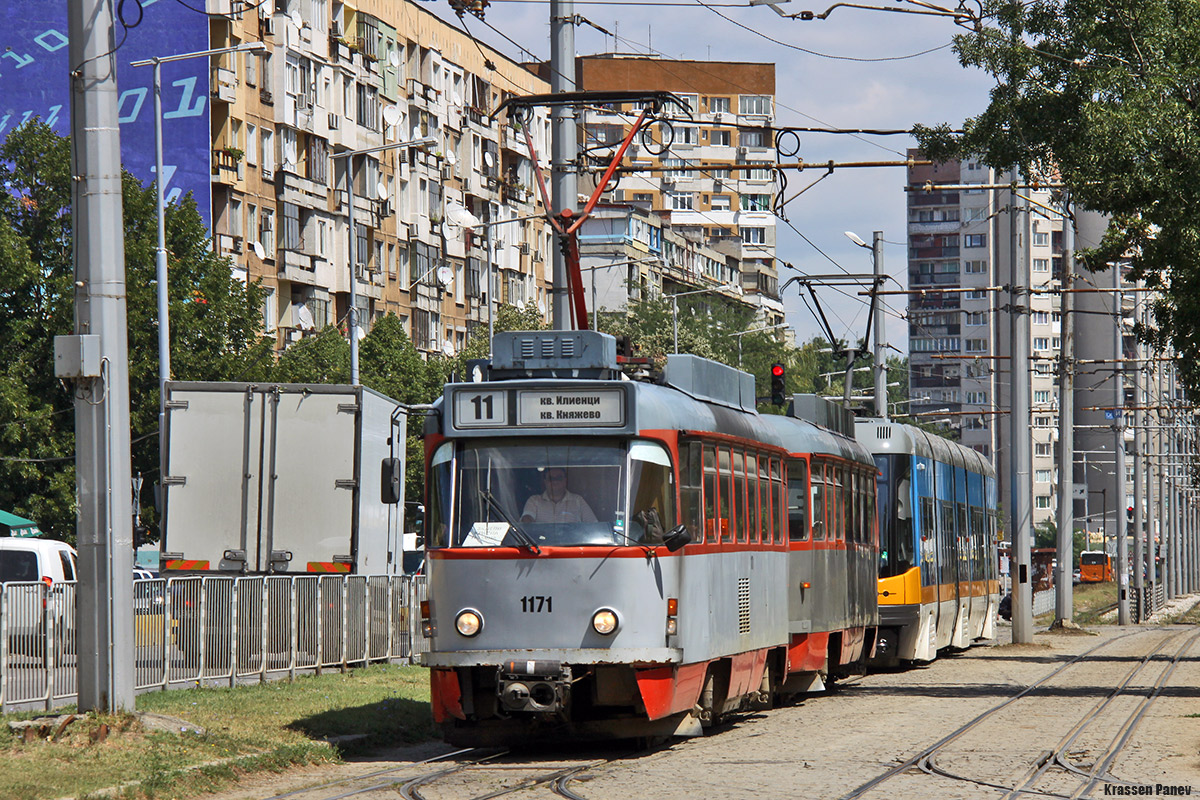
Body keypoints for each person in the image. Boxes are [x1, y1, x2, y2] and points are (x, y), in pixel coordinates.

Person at [521, 468, 597, 523]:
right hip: (541, 544)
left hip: (573, 544)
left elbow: (593, 525)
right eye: (551, 478)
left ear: (565, 480)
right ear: (545, 481)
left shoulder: (578, 500)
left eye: (559, 478)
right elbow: (527, 519)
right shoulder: (534, 501)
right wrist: (528, 521)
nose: (555, 481)